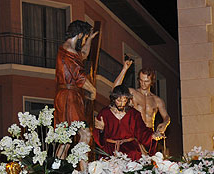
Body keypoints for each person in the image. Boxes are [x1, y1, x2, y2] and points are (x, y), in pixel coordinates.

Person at [54, 20, 97, 160]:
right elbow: (79, 77)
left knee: (66, 140)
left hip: (69, 96)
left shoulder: (67, 49)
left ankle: (59, 171)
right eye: (84, 37)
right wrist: (93, 90)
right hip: (69, 97)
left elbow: (83, 54)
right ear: (79, 35)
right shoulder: (69, 51)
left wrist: (90, 40)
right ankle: (80, 168)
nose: (84, 41)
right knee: (84, 134)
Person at [93, 85, 161, 160]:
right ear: (113, 99)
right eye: (119, 101)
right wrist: (101, 130)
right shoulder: (104, 113)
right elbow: (98, 136)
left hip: (130, 150)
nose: (122, 104)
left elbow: (142, 131)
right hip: (109, 150)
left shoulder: (134, 114)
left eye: (124, 101)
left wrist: (153, 136)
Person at [114, 61, 171, 136]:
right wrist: (124, 69)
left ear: (151, 82)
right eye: (141, 80)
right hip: (135, 133)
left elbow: (166, 117)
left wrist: (165, 124)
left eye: (146, 81)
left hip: (149, 135)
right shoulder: (133, 93)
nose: (143, 83)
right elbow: (115, 90)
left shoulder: (157, 100)